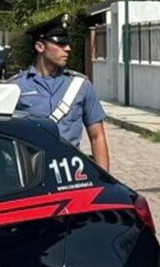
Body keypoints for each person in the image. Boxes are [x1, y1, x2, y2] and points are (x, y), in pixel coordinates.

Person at [12, 18, 110, 171]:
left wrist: (105, 179)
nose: (68, 48)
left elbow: (97, 136)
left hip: (70, 174)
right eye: (61, 44)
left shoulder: (80, 85)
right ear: (40, 46)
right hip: (32, 174)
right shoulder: (16, 87)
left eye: (68, 43)